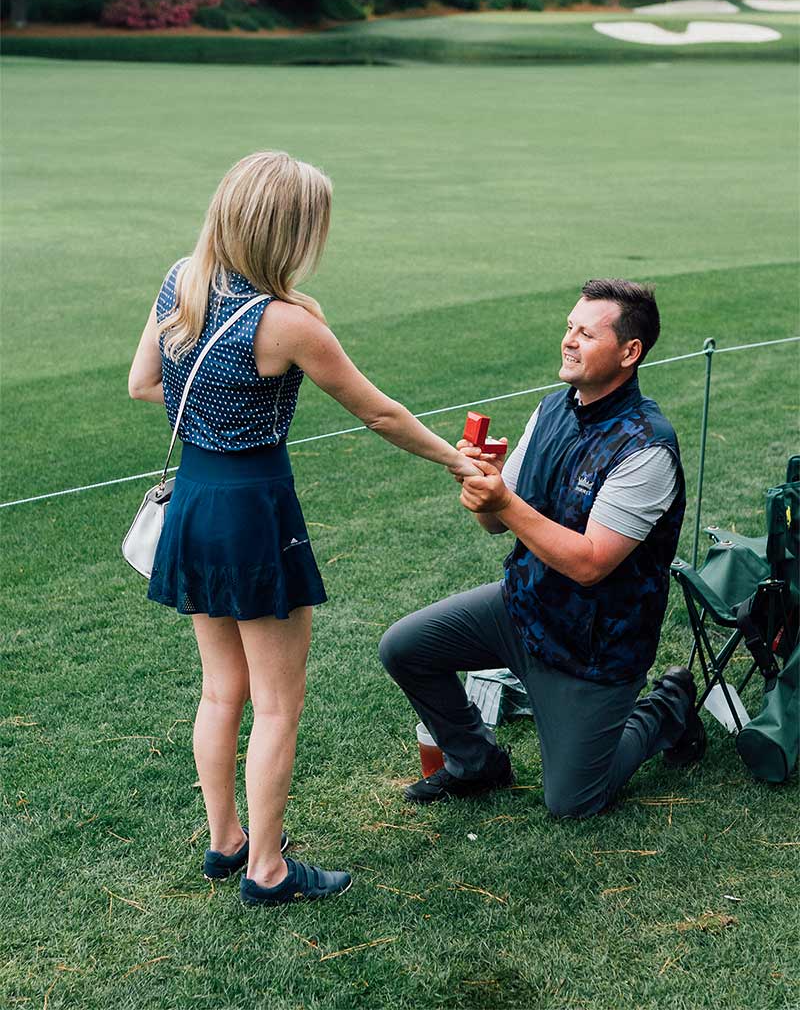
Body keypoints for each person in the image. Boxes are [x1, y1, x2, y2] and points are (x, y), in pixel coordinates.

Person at [128, 150, 477, 906]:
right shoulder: (287, 322)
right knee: (279, 702)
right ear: (289, 232)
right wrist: (457, 461)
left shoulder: (179, 279)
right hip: (254, 511)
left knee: (221, 690)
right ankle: (268, 869)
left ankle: (226, 842)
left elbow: (143, 383)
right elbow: (380, 412)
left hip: (192, 499)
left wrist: (214, 410)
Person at [380, 279, 705, 819]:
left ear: (630, 352)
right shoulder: (551, 410)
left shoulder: (648, 447)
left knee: (574, 801)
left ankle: (666, 708)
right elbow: (494, 526)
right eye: (568, 327)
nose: (569, 341)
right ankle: (473, 762)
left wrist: (503, 500)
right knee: (404, 647)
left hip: (596, 646)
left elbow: (590, 564)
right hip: (522, 607)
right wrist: (484, 488)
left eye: (587, 333)